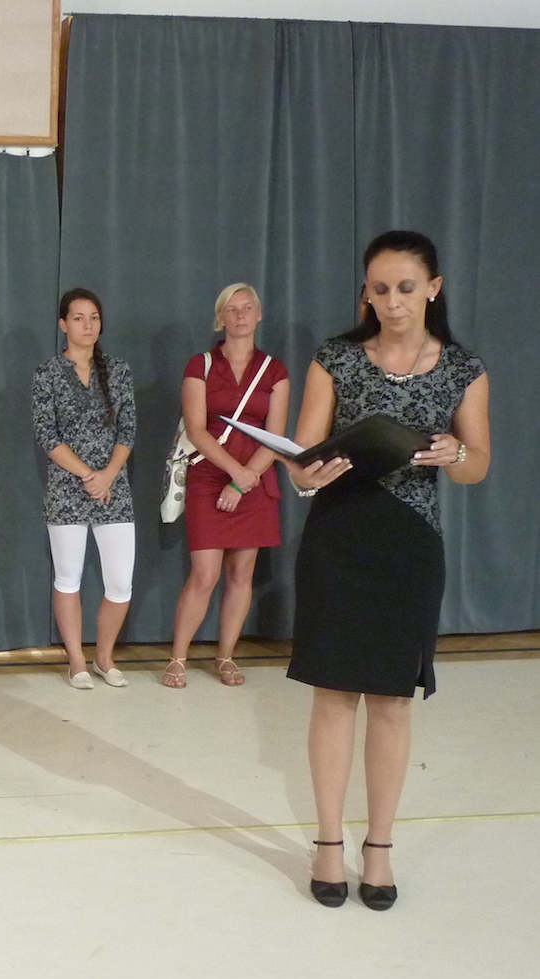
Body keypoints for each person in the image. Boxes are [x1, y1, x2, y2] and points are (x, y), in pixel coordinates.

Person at [284, 231, 490, 910]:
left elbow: (478, 466)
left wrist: (456, 453)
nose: (393, 301)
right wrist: (310, 473)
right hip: (339, 538)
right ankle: (327, 843)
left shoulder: (464, 369)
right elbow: (300, 463)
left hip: (410, 546)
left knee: (393, 702)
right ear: (366, 293)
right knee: (333, 695)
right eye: (380, 289)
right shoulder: (335, 358)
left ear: (433, 287)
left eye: (405, 287)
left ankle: (378, 847)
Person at [162, 284, 290, 688]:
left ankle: (226, 656)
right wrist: (234, 473)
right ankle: (178, 658)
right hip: (209, 476)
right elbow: (197, 430)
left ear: (259, 315)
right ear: (220, 318)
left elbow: (276, 436)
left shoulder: (275, 371)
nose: (240, 316)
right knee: (205, 575)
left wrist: (243, 481)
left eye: (247, 308)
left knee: (241, 574)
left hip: (254, 481)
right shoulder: (199, 365)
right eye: (231, 310)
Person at [31, 288, 136, 689]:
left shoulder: (119, 371)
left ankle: (104, 657)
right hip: (66, 489)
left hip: (114, 490)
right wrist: (89, 475)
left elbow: (127, 431)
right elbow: (48, 435)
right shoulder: (47, 373)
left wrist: (107, 474)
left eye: (94, 317)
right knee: (68, 577)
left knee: (120, 583)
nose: (87, 325)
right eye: (78, 318)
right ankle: (76, 660)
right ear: (63, 324)